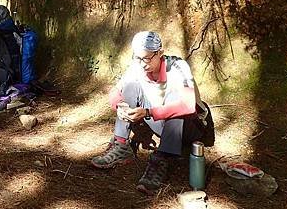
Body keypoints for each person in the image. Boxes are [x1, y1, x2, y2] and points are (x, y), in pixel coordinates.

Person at [91, 31, 214, 194]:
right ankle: (121, 146)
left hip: (191, 126)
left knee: (175, 97)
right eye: (138, 58)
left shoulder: (177, 67)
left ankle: (162, 160)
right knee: (130, 87)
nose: (142, 64)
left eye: (147, 58)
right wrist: (119, 106)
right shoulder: (138, 65)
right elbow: (115, 91)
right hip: (161, 122)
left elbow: (187, 106)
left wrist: (148, 112)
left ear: (160, 53)